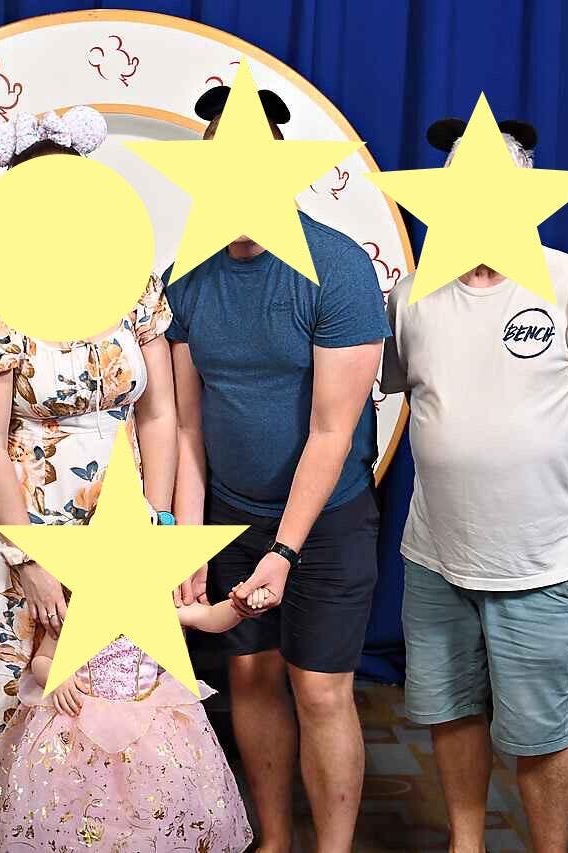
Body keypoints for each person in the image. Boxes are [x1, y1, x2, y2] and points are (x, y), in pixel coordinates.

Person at [381, 117, 568, 853]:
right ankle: (466, 843)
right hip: (436, 555)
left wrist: (557, 474)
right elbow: (403, 390)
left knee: (540, 729)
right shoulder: (411, 296)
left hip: (538, 561)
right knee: (451, 710)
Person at [167, 85, 391, 852]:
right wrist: (189, 541)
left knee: (320, 688)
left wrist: (285, 550)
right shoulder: (187, 276)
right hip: (231, 512)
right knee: (251, 678)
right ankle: (273, 839)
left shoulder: (337, 268)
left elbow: (332, 431)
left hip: (325, 520)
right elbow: (187, 425)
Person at [0, 106, 181, 804]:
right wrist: (31, 560)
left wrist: (157, 523)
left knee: (119, 684)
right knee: (30, 673)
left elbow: (159, 412)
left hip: (120, 511)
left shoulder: (135, 283)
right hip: (24, 517)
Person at [0, 591, 266, 852]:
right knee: (77, 809)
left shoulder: (157, 605)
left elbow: (211, 617)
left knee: (149, 808)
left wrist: (238, 606)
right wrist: (57, 679)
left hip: (149, 728)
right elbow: (42, 660)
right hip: (78, 728)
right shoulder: (75, 608)